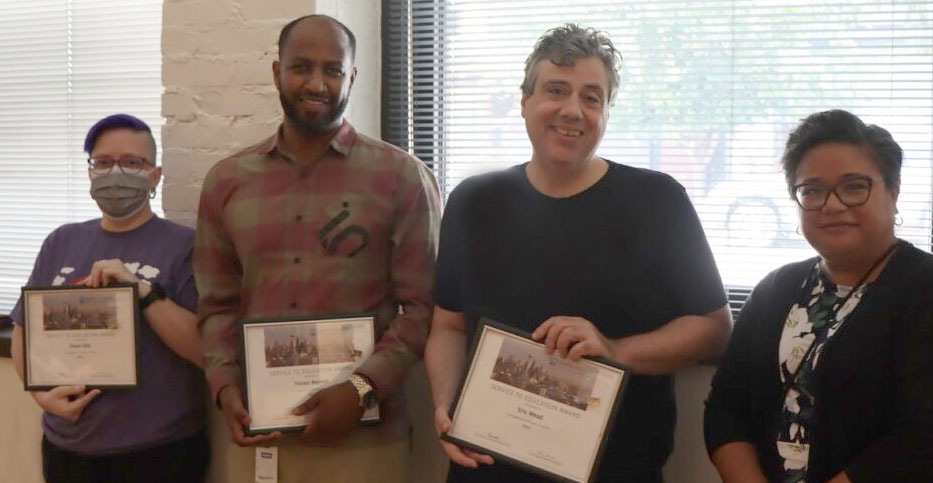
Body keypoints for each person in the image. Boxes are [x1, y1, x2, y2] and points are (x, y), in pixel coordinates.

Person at [424, 24, 732, 483]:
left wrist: (614, 349)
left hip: (616, 468)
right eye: (556, 90)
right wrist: (447, 406)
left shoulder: (657, 201)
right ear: (525, 101)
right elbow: (448, 325)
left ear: (607, 111)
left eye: (592, 97)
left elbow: (713, 329)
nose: (573, 110)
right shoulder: (473, 200)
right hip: (486, 463)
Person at [193, 14, 441, 483]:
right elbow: (216, 305)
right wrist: (225, 390)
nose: (316, 82)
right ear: (276, 72)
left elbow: (423, 306)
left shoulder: (402, 178)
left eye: (332, 69)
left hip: (367, 439)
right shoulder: (226, 182)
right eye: (301, 67)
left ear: (353, 77)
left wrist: (363, 386)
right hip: (259, 437)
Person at [704, 109, 933, 482]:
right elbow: (726, 408)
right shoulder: (775, 288)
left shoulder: (922, 289)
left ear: (893, 191)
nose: (831, 204)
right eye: (811, 190)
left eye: (854, 186)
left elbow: (921, 436)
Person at [9, 114, 208, 482]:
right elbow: (25, 329)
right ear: (90, 172)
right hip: (68, 449)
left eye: (132, 162)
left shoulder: (184, 245)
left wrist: (144, 292)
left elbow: (205, 350)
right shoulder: (61, 241)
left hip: (161, 452)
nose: (115, 172)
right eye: (103, 162)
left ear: (154, 176)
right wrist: (40, 394)